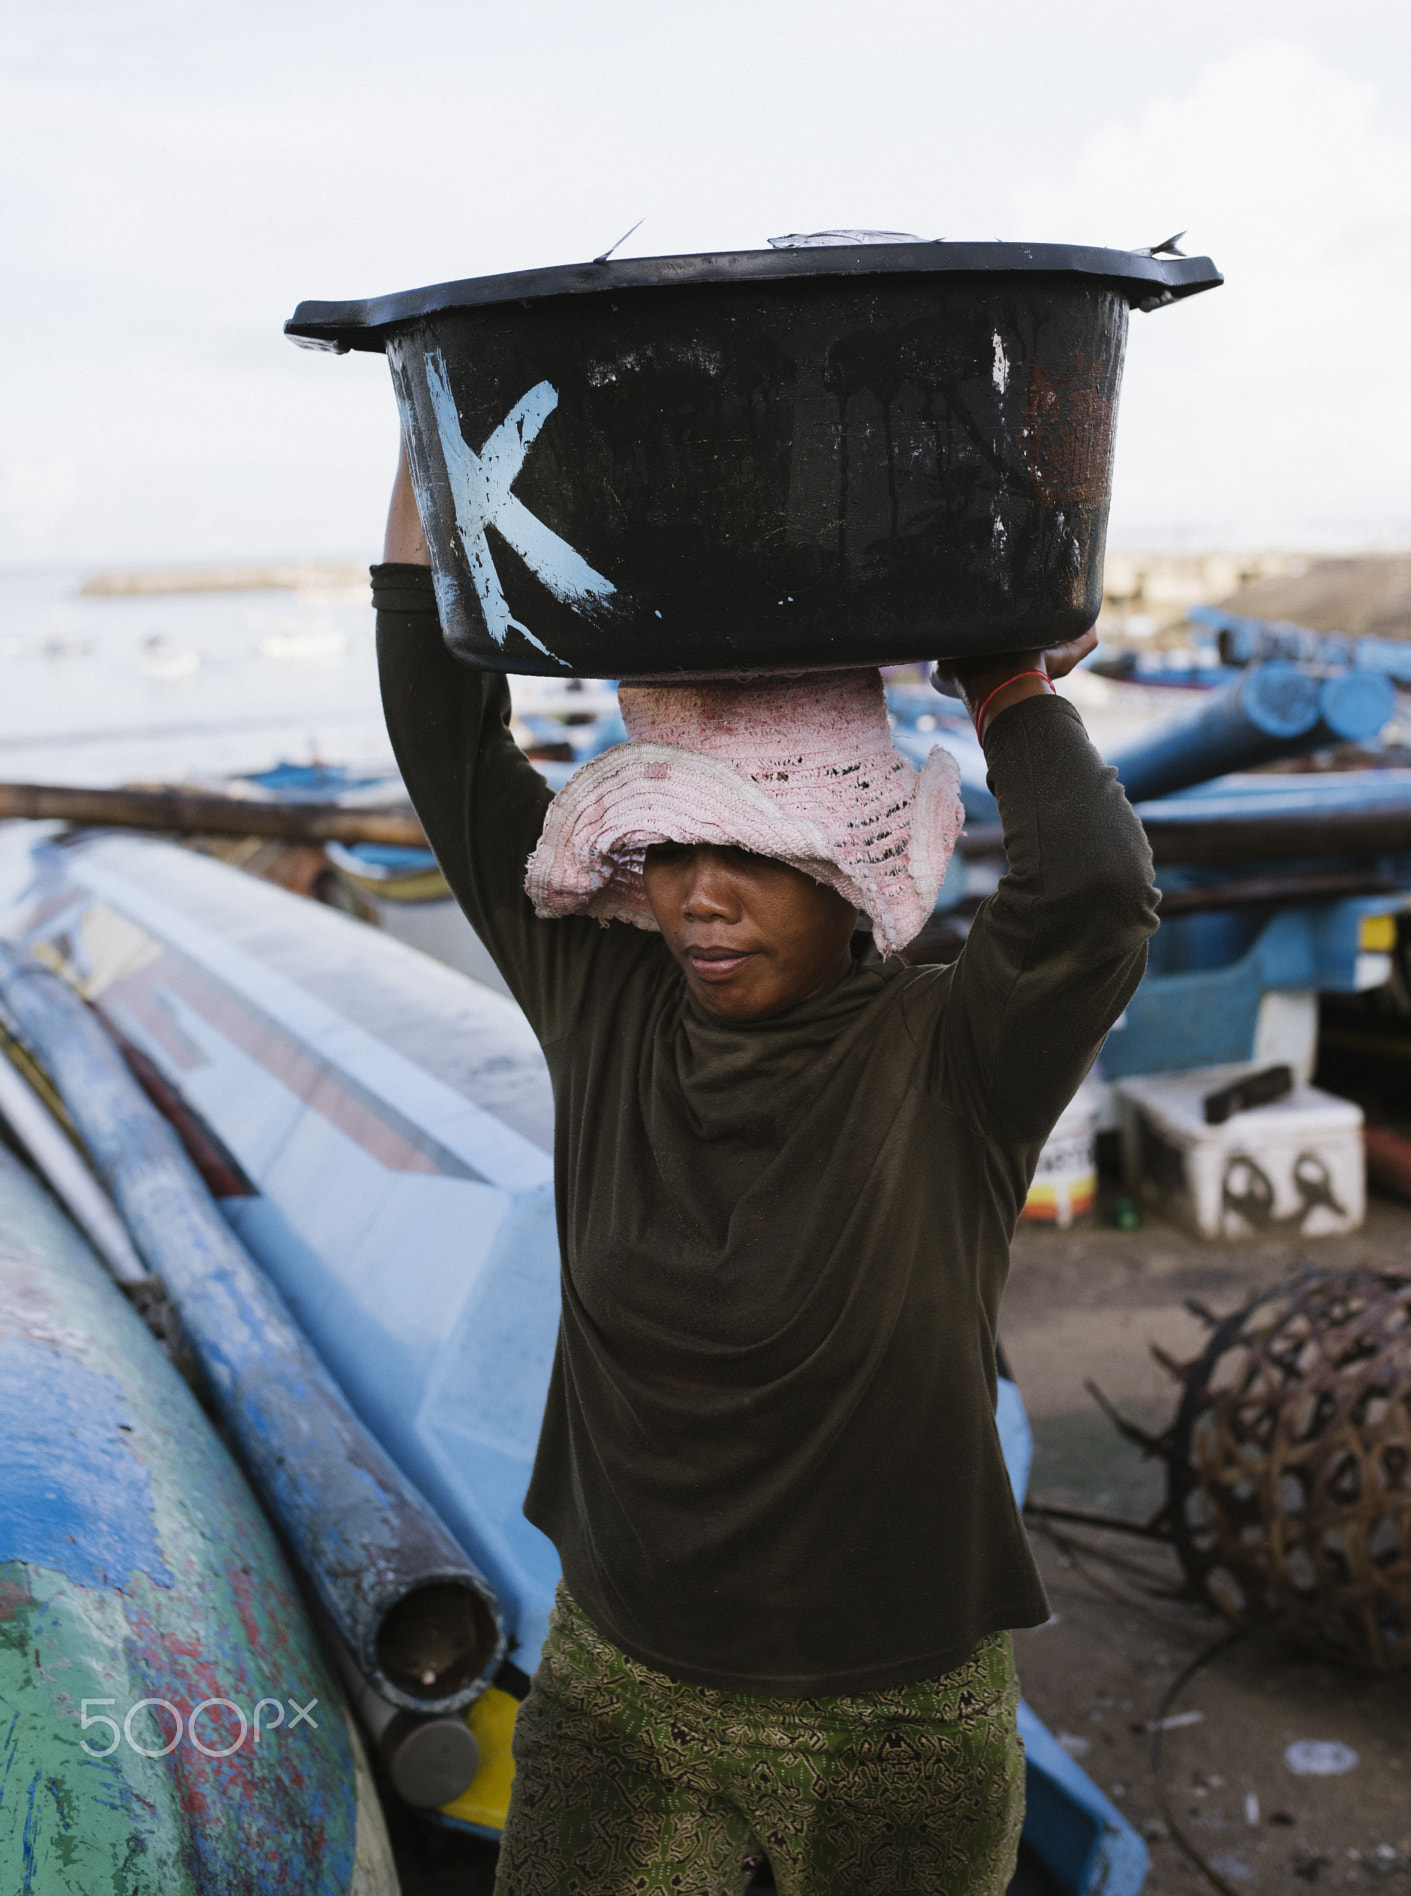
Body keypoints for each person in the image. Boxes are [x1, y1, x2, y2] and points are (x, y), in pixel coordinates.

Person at [373, 440, 1157, 1896]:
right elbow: (446, 735)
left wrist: (1006, 683)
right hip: (617, 1685)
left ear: (847, 863)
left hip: (894, 1719)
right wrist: (435, 449)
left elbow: (1098, 892)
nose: (698, 895)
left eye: (749, 847)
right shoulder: (605, 1005)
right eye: (666, 845)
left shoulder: (956, 1058)